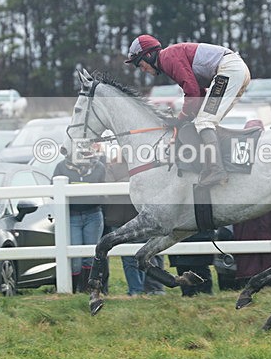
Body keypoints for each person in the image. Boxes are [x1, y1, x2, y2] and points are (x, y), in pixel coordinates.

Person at [124, 34, 251, 187]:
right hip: (235, 70)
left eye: (139, 64)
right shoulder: (168, 59)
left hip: (229, 70)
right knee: (206, 121)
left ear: (149, 55)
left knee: (205, 121)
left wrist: (181, 117)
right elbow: (200, 94)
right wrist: (187, 117)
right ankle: (216, 164)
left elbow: (192, 92)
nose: (142, 69)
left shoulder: (168, 58)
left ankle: (217, 170)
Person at [103, 150, 164, 296]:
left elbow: (149, 186)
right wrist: (133, 180)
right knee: (127, 258)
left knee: (145, 254)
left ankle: (146, 288)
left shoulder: (144, 165)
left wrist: (127, 181)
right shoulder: (113, 166)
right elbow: (109, 187)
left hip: (140, 216)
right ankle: (135, 289)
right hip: (120, 217)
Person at [52, 154, 106, 293]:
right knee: (75, 258)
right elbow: (53, 191)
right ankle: (73, 288)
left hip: (93, 213)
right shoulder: (61, 167)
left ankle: (87, 289)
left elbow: (106, 190)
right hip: (72, 215)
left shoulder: (99, 167)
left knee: (91, 255)